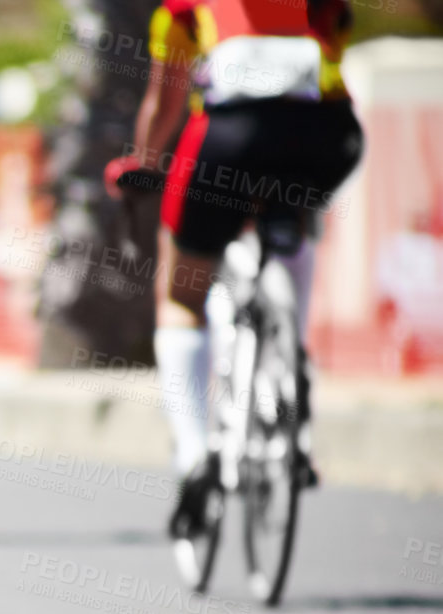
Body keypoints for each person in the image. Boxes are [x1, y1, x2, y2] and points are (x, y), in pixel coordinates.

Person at [107, 0, 361, 541]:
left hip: (231, 136)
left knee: (180, 295)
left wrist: (144, 164)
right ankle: (289, 359)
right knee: (291, 214)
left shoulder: (181, 9)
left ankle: (195, 454)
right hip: (329, 137)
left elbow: (165, 102)